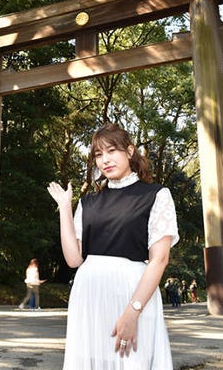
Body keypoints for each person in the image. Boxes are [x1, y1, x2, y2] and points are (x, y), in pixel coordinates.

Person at [47, 123, 179, 368]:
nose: (104, 160)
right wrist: (65, 208)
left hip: (132, 293)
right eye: (98, 154)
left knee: (133, 361)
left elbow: (159, 259)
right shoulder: (88, 202)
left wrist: (133, 311)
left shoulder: (156, 195)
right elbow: (74, 259)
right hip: (89, 297)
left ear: (129, 151)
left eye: (111, 151)